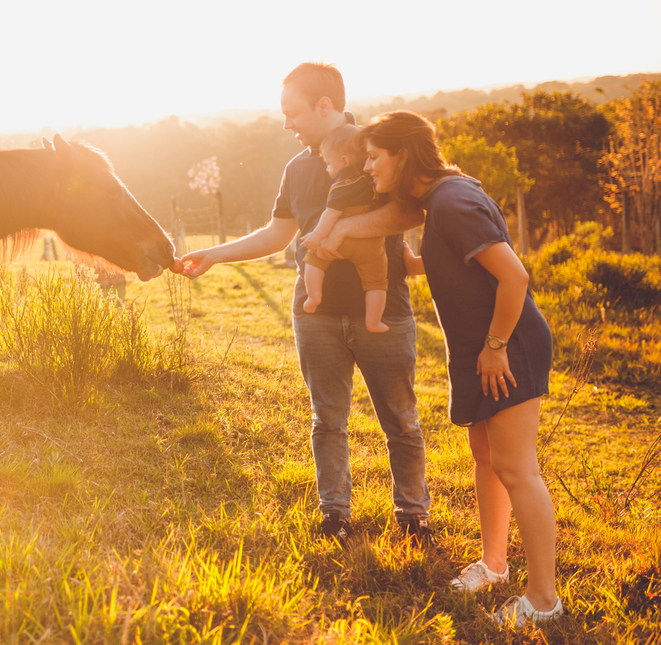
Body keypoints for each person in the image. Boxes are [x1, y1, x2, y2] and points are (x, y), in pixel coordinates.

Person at [180, 62, 431, 543]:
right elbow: (277, 234)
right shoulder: (296, 167)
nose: (285, 124)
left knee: (401, 420)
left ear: (325, 105)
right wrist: (216, 253)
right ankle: (335, 514)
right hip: (315, 316)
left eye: (292, 113)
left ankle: (414, 517)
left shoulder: (382, 150)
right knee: (327, 419)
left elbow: (411, 209)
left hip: (384, 311)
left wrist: (341, 231)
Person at [361, 110, 560, 627]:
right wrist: (416, 262)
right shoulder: (442, 198)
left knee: (518, 468)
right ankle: (494, 564)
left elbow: (514, 276)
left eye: (374, 157)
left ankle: (544, 602)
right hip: (483, 349)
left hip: (507, 344)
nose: (368, 167)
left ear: (402, 155)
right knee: (486, 455)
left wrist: (495, 346)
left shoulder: (452, 200)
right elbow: (466, 258)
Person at [300, 124, 388, 334]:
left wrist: (317, 235)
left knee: (314, 260)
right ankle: (373, 321)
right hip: (371, 242)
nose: (327, 168)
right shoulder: (376, 177)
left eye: (329, 163)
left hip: (339, 242)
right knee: (376, 282)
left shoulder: (343, 185)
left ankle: (313, 296)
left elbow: (331, 214)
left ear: (345, 161)